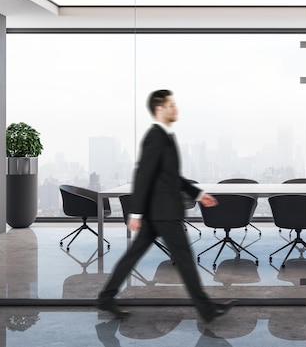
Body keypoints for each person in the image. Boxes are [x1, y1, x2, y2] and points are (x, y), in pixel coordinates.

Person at [97, 89, 236, 321]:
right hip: (163, 211)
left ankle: (106, 297)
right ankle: (206, 308)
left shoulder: (165, 137)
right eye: (171, 105)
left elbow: (171, 176)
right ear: (159, 109)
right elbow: (143, 175)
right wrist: (136, 212)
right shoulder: (155, 137)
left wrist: (198, 193)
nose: (176, 108)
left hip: (158, 211)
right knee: (183, 258)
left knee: (135, 255)